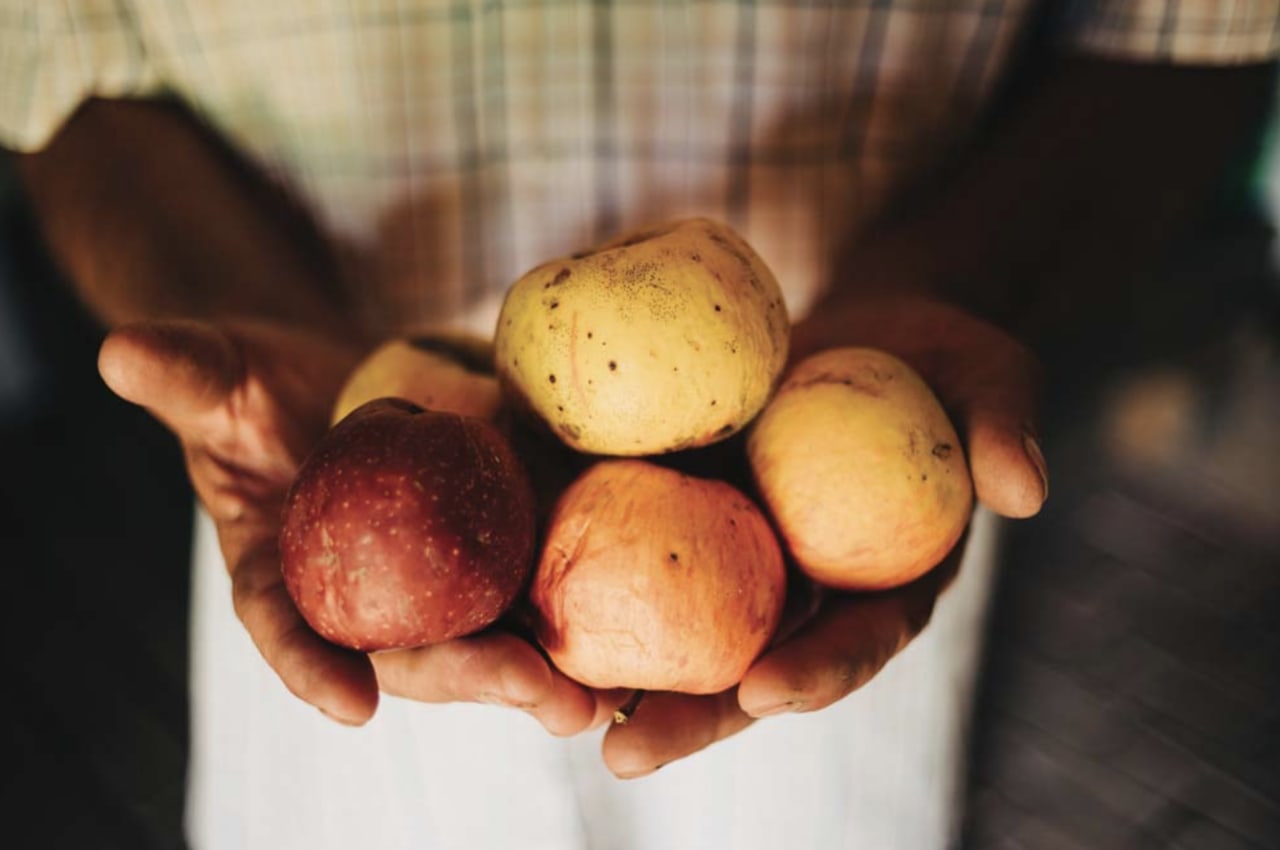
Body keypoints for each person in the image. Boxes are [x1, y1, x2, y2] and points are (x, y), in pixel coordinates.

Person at [5, 2, 1276, 848]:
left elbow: (1194, 27)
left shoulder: (812, 479)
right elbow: (45, 52)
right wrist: (226, 300)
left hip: (816, 550)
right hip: (315, 481)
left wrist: (960, 281)